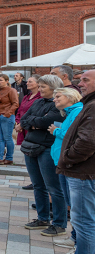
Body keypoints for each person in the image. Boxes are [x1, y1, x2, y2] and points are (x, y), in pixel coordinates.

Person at [18, 74, 67, 237]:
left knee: (53, 187)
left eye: (43, 87)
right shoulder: (38, 101)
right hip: (31, 146)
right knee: (38, 185)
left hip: (46, 148)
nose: (39, 90)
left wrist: (35, 123)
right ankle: (43, 218)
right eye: (39, 87)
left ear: (53, 88)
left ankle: (59, 223)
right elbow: (25, 120)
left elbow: (46, 122)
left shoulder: (58, 104)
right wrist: (35, 123)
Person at [57, 70, 95, 254]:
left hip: (83, 173)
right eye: (79, 80)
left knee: (83, 222)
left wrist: (68, 158)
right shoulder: (89, 104)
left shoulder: (92, 106)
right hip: (84, 172)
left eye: (85, 80)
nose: (79, 84)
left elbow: (87, 141)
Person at [48, 87, 83, 250]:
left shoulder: (78, 111)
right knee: (70, 202)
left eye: (58, 96)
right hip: (60, 161)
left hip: (69, 163)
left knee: (78, 208)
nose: (54, 99)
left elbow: (71, 135)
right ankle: (75, 237)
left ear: (70, 97)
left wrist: (56, 131)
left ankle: (80, 242)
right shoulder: (69, 112)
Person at [0, 73, 19, 165]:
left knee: (7, 138)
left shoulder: (11, 90)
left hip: (7, 116)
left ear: (7, 81)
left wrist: (8, 114)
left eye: (1, 80)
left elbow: (15, 103)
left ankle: (9, 158)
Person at [16, 74, 42, 146]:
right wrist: (18, 122)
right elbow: (20, 111)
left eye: (30, 81)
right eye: (27, 81)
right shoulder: (26, 97)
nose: (27, 83)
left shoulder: (40, 97)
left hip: (31, 128)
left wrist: (22, 124)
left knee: (31, 148)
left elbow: (36, 113)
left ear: (38, 84)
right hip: (22, 127)